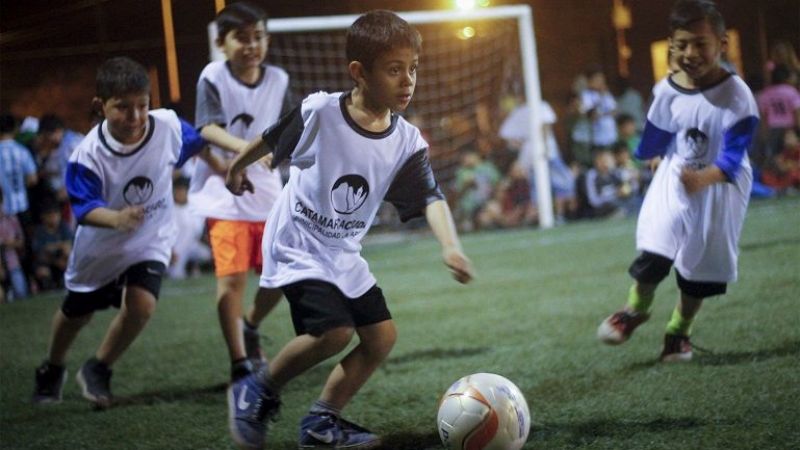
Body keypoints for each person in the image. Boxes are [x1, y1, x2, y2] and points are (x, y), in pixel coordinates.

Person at [223, 10, 474, 449]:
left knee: (381, 337)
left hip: (341, 250)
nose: (407, 81)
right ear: (359, 72)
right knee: (334, 333)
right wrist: (235, 167)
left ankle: (322, 424)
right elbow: (269, 137)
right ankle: (256, 390)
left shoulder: (406, 141)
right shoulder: (321, 112)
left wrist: (450, 246)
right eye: (394, 70)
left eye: (413, 69)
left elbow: (431, 198)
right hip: (297, 240)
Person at [31, 57, 206, 407]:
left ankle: (99, 368)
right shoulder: (87, 155)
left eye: (142, 106)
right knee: (76, 314)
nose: (136, 117)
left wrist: (229, 168)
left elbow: (197, 143)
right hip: (102, 245)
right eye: (123, 108)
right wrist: (116, 219)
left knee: (141, 305)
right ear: (101, 106)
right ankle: (52, 367)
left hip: (151, 237)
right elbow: (84, 209)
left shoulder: (167, 126)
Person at [597, 0, 760, 362]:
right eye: (682, 44)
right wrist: (655, 156)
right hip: (678, 175)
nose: (691, 53)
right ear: (671, 46)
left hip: (720, 185)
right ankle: (635, 310)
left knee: (697, 271)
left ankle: (678, 333)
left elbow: (733, 157)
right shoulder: (667, 90)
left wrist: (705, 179)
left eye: (701, 43)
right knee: (655, 249)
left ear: (721, 45)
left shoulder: (738, 97)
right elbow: (655, 135)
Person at [189, 1, 290, 380]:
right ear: (222, 42)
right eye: (242, 38)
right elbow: (207, 129)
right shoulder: (213, 76)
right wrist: (245, 153)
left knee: (283, 275)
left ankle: (250, 324)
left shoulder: (279, 79)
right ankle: (239, 363)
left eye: (258, 37)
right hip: (224, 194)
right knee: (231, 280)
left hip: (268, 195)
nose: (252, 45)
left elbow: (287, 130)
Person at [169, 176, 211, 279]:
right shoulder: (169, 209)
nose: (180, 193)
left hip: (192, 245)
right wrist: (170, 250)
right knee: (176, 275)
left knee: (206, 254)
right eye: (177, 190)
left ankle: (193, 266)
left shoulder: (194, 207)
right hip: (175, 248)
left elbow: (200, 231)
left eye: (182, 190)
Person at [31, 200, 73, 291]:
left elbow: (69, 244)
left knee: (68, 251)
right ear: (43, 217)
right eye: (50, 215)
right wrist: (56, 259)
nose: (54, 218)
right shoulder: (39, 231)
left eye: (56, 215)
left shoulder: (63, 227)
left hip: (62, 261)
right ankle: (47, 290)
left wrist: (55, 247)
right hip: (47, 263)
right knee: (43, 272)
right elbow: (40, 252)